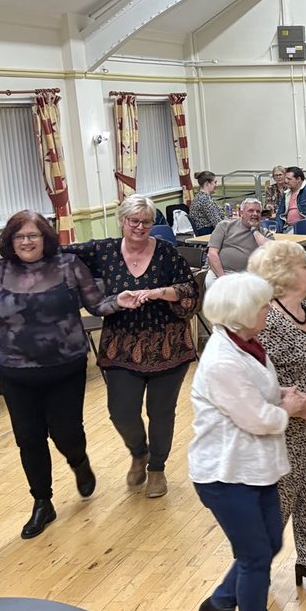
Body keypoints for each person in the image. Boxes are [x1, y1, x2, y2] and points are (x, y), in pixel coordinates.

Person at [0, 212, 139, 539]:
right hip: (15, 370)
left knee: (66, 433)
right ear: (10, 241)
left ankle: (78, 462)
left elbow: (96, 306)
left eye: (33, 235)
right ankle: (42, 501)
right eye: (20, 236)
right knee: (29, 438)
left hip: (65, 367)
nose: (26, 242)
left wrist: (119, 301)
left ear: (45, 238)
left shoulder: (68, 266)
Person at [189, 272, 306, 611]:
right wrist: (290, 409)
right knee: (256, 557)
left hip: (254, 467)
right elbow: (258, 420)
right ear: (243, 314)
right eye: (262, 306)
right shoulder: (223, 359)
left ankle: (221, 604)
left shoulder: (247, 345)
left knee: (267, 545)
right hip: (226, 475)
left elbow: (259, 397)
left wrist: (282, 396)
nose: (268, 310)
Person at [66, 194, 198, 498]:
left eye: (146, 221)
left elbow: (190, 289)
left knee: (161, 412)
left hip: (168, 345)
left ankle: (157, 469)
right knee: (120, 411)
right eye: (133, 220)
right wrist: (9, 245)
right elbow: (60, 251)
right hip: (121, 347)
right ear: (122, 220)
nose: (139, 226)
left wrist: (159, 292)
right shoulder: (103, 250)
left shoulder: (165, 252)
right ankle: (139, 453)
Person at [248, 241, 306, 594]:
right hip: (281, 428)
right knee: (277, 502)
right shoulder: (266, 320)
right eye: (305, 265)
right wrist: (302, 406)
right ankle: (253, 573)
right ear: (284, 275)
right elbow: (258, 379)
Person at [206, 198, 270, 287]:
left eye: (258, 211)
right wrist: (222, 278)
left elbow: (270, 251)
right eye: (251, 211)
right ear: (241, 213)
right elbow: (212, 254)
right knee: (213, 285)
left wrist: (254, 230)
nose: (255, 214)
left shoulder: (264, 233)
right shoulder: (224, 226)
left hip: (250, 275)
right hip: (221, 272)